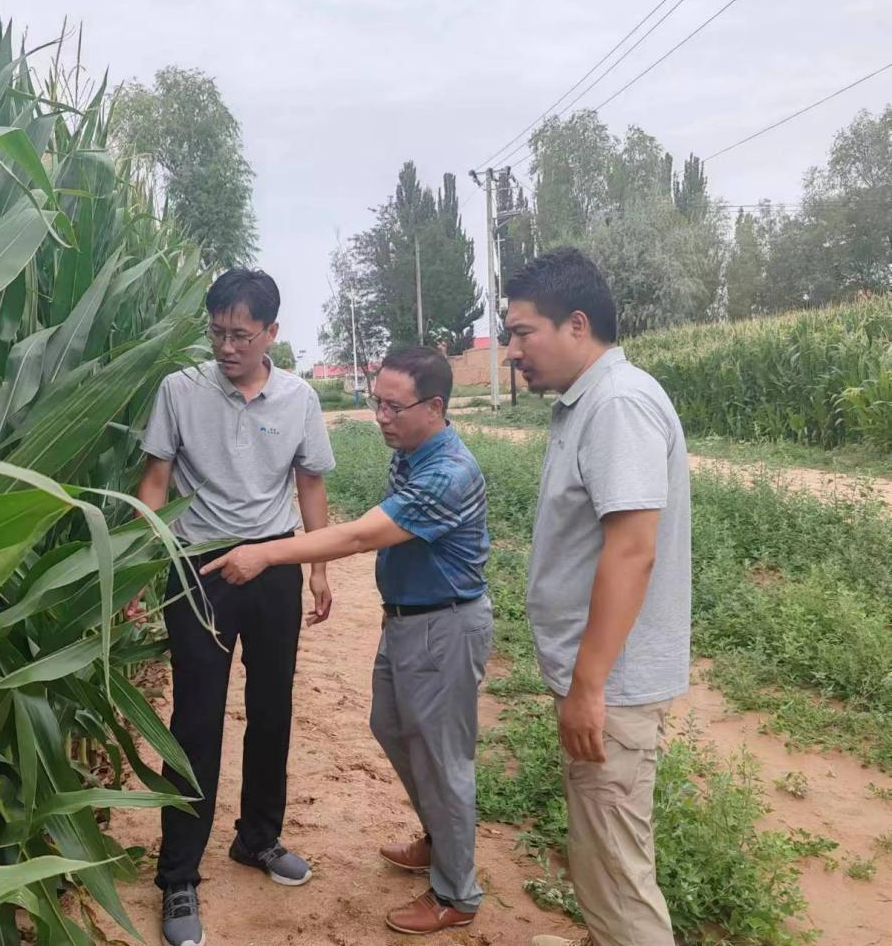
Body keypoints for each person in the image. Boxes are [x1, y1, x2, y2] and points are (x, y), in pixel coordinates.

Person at [203, 345, 493, 936]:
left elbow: (361, 536)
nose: (380, 416)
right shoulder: (410, 451)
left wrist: (266, 553)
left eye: (393, 406)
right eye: (375, 401)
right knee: (391, 729)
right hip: (409, 621)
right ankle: (442, 839)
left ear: (435, 407)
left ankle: (456, 894)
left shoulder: (447, 472)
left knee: (442, 758)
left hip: (445, 626)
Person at [134, 268, 335, 946]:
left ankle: (257, 839)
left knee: (272, 709)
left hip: (274, 565)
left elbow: (309, 484)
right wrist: (138, 566)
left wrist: (317, 568)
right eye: (216, 332)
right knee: (194, 720)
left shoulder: (298, 398)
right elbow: (155, 481)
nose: (225, 347)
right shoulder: (179, 391)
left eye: (240, 335)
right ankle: (178, 877)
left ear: (271, 334)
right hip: (198, 570)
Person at [502, 248, 691, 946]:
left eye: (522, 333)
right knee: (600, 848)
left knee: (616, 866)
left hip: (611, 684)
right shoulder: (588, 403)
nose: (512, 353)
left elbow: (632, 549)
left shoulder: (617, 404)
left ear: (575, 324)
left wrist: (587, 686)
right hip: (600, 679)